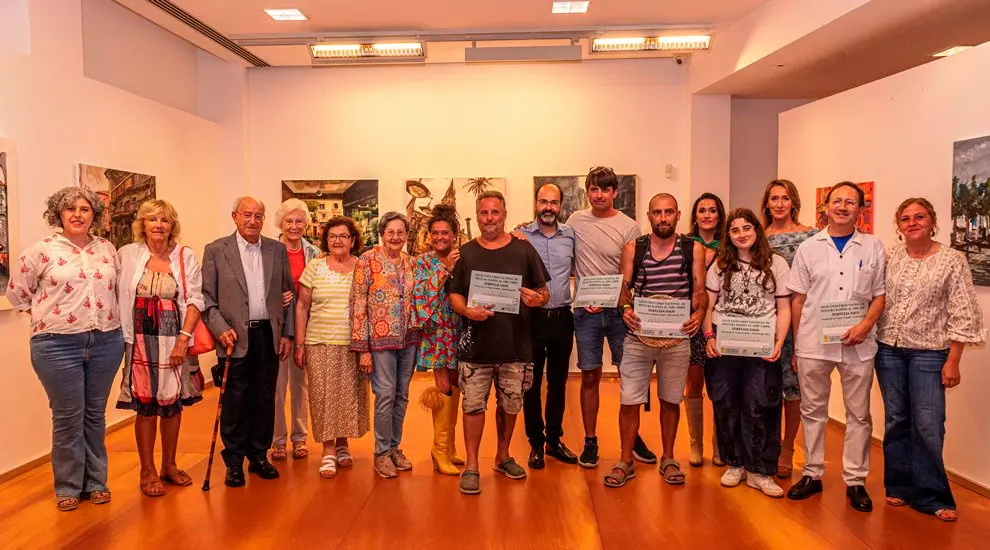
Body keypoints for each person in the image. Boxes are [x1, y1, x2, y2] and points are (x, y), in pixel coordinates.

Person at [7, 187, 125, 511]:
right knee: (68, 417)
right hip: (57, 346)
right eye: (70, 208)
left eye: (84, 209)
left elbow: (117, 290)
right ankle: (69, 485)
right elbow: (17, 293)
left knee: (94, 416)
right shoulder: (41, 251)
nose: (77, 214)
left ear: (94, 215)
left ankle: (97, 482)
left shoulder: (107, 249)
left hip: (106, 342)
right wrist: (50, 317)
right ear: (58, 214)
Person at [876, 198, 984, 522]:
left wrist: (953, 360)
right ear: (898, 225)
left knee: (928, 424)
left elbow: (963, 312)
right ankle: (898, 486)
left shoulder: (953, 260)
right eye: (905, 218)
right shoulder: (890, 256)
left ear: (932, 220)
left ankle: (932, 495)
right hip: (889, 349)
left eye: (919, 216)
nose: (912, 222)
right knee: (896, 420)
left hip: (929, 353)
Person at [786, 182, 885, 512]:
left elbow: (879, 295)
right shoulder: (809, 247)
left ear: (860, 209)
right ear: (825, 207)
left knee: (859, 414)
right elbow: (798, 299)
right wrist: (799, 344)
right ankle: (812, 474)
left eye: (851, 202)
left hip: (859, 343)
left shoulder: (872, 246)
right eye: (837, 201)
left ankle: (855, 480)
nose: (843, 206)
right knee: (813, 410)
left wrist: (865, 326)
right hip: (814, 342)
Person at [448, 190, 550, 495]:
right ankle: (471, 465)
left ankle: (503, 456)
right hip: (476, 345)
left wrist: (537, 298)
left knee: (510, 404)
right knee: (473, 405)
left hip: (515, 344)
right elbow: (453, 293)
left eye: (495, 212)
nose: (489, 218)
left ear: (504, 214)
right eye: (483, 213)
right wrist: (467, 310)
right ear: (477, 216)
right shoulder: (466, 253)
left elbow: (543, 291)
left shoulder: (523, 250)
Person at [603, 193, 707, 488]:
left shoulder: (692, 248)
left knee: (671, 399)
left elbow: (700, 291)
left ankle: (669, 458)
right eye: (657, 212)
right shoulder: (634, 248)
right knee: (629, 400)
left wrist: (698, 315)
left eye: (669, 212)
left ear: (678, 214)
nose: (663, 218)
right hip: (638, 337)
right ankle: (625, 460)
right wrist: (625, 309)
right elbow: (624, 289)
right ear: (648, 216)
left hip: (677, 338)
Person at [201, 197, 295, 488]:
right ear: (235, 216)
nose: (252, 220)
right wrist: (220, 329)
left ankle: (258, 456)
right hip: (234, 337)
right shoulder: (216, 250)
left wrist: (287, 334)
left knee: (264, 399)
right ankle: (234, 461)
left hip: (268, 335)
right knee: (235, 401)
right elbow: (206, 298)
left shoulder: (276, 250)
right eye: (247, 215)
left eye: (258, 215)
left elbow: (287, 295)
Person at [117, 199, 205, 497]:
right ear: (142, 224)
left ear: (172, 225)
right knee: (145, 407)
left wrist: (183, 339)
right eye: (152, 219)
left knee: (172, 404)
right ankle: (147, 470)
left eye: (164, 220)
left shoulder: (184, 255)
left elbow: (195, 299)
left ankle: (169, 465)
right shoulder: (128, 255)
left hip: (173, 339)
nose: (158, 225)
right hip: (140, 340)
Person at [567, 166, 654, 469]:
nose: (599, 195)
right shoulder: (574, 221)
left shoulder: (629, 226)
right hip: (586, 312)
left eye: (605, 189)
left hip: (620, 312)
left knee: (629, 376)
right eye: (594, 189)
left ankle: (633, 436)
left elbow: (633, 272)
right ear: (587, 191)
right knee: (589, 375)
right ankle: (590, 440)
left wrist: (624, 303)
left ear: (615, 193)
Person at [703, 208, 791, 498]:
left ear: (757, 230)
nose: (741, 234)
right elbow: (708, 303)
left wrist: (779, 342)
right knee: (726, 403)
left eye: (747, 228)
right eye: (734, 230)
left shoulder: (775, 263)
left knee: (761, 405)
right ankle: (735, 464)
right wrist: (708, 336)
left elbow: (784, 307)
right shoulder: (720, 264)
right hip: (725, 346)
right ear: (728, 236)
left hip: (761, 346)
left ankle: (761, 470)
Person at [295, 217, 370, 479]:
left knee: (349, 396)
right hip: (319, 342)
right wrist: (300, 343)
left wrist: (367, 346)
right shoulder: (314, 267)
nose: (338, 241)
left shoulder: (362, 267)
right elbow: (302, 306)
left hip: (354, 343)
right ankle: (327, 450)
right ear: (326, 240)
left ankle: (342, 444)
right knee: (324, 396)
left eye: (343, 236)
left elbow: (369, 306)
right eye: (333, 236)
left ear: (352, 240)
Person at [350, 211, 420, 479]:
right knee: (385, 395)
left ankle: (394, 448)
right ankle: (380, 453)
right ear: (382, 233)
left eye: (400, 232)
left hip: (408, 339)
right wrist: (362, 348)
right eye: (390, 232)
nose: (395, 237)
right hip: (379, 342)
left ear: (406, 235)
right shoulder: (367, 261)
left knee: (402, 395)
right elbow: (357, 303)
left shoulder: (411, 262)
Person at [519, 183, 578, 469]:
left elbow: (583, 270)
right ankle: (535, 443)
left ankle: (554, 439)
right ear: (535, 203)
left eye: (554, 203)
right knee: (530, 383)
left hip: (562, 319)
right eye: (543, 202)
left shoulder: (570, 236)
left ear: (561, 205)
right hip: (531, 320)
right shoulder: (520, 236)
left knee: (558, 382)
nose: (548, 208)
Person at [761, 179, 818, 478]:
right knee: (765, 386)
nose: (779, 204)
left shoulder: (811, 237)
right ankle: (766, 446)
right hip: (763, 322)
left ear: (793, 201)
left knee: (793, 391)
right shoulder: (758, 237)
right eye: (774, 198)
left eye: (785, 198)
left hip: (800, 322)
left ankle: (787, 448)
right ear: (767, 203)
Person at [411, 205, 466, 476]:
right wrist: (445, 269)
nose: (440, 237)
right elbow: (420, 297)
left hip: (459, 329)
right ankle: (439, 449)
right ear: (429, 236)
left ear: (454, 234)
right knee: (443, 385)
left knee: (455, 385)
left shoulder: (465, 257)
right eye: (435, 233)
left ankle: (450, 447)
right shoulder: (421, 262)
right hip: (436, 332)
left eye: (445, 232)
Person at [271, 199, 320, 461]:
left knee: (300, 385)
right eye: (289, 221)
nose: (294, 226)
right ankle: (278, 439)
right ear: (280, 223)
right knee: (277, 386)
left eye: (299, 221)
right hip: (276, 329)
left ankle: (299, 438)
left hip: (305, 327)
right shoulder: (267, 250)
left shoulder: (314, 252)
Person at [683, 192, 726, 467]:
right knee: (694, 383)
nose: (707, 215)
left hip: (723, 324)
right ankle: (696, 445)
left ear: (720, 215)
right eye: (702, 210)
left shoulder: (731, 246)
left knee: (720, 386)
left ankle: (720, 446)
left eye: (712, 210)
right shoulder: (685, 245)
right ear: (694, 216)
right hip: (692, 322)